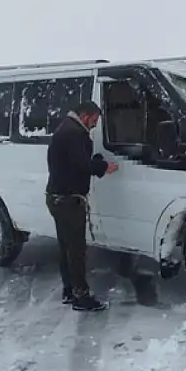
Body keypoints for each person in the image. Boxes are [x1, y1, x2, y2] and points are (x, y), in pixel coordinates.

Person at [45, 100, 118, 311]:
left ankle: (69, 291)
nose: (95, 125)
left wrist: (94, 160)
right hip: (69, 200)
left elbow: (74, 161)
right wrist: (104, 166)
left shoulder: (66, 128)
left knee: (66, 248)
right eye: (94, 120)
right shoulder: (75, 133)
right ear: (85, 116)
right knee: (76, 250)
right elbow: (82, 164)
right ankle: (81, 297)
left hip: (57, 198)